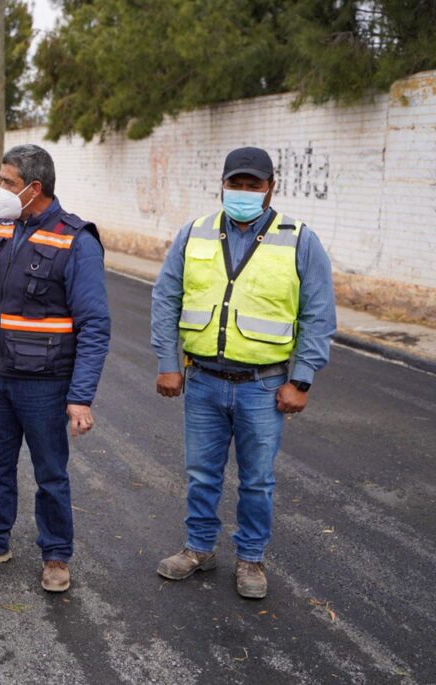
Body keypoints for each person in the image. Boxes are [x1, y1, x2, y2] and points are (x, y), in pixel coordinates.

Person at [150, 146, 336, 599]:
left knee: (257, 480)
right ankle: (199, 549)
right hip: (202, 381)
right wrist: (167, 363)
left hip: (264, 386)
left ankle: (251, 558)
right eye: (237, 184)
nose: (244, 192)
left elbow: (318, 314)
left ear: (271, 187)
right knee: (201, 473)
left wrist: (302, 378)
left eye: (254, 185)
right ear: (223, 184)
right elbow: (165, 298)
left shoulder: (299, 239)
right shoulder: (194, 233)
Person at [0, 144, 110, 593]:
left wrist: (80, 396)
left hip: (45, 382)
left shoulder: (75, 240)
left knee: (51, 473)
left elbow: (95, 325)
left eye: (8, 182)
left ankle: (56, 554)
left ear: (34, 188)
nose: (0, 190)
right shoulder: (0, 229)